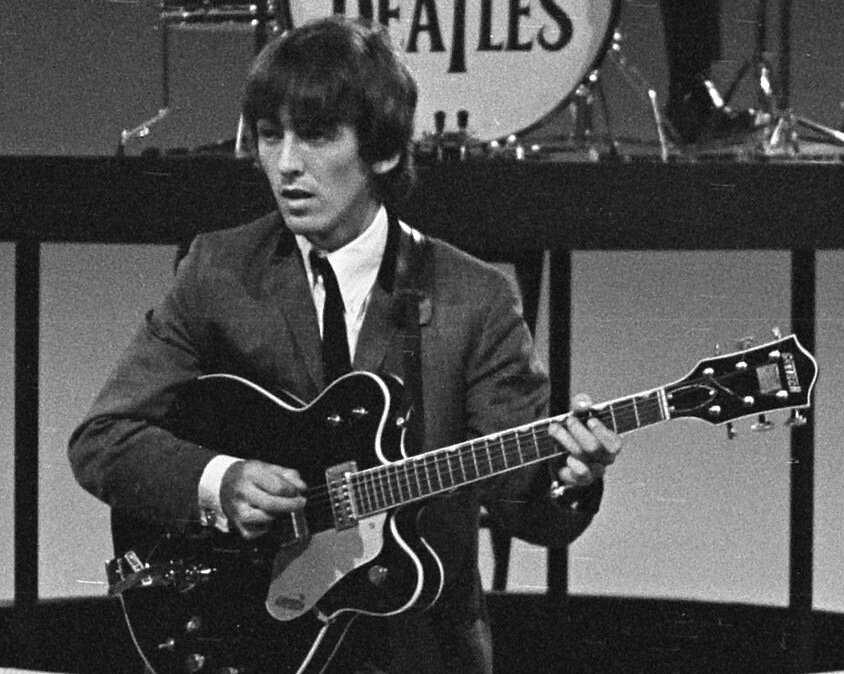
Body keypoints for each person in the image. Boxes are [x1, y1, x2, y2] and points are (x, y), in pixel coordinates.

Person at [69, 15, 621, 674]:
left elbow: (526, 511)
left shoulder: (474, 300)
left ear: (383, 150)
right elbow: (103, 439)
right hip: (254, 642)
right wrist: (221, 481)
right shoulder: (218, 270)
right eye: (272, 137)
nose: (288, 165)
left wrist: (570, 479)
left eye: (317, 136)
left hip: (420, 655)